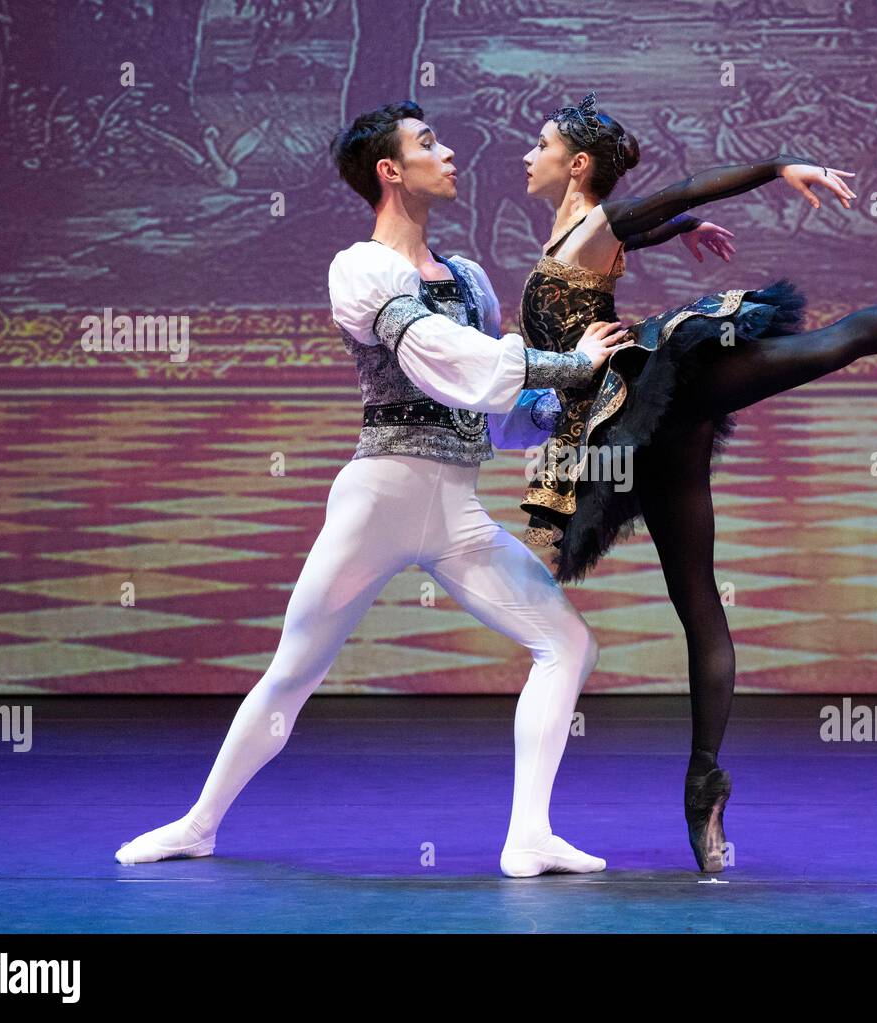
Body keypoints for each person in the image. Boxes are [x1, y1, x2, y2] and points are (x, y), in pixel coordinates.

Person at [511, 92, 877, 871]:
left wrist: (776, 169)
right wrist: (684, 231)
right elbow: (657, 221)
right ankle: (702, 781)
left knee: (832, 346)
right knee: (698, 600)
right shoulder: (583, 229)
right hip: (638, 421)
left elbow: (682, 194)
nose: (527, 154)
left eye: (539, 144)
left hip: (648, 395)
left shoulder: (595, 225)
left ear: (576, 165)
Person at [113, 101, 631, 879]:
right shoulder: (360, 268)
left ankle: (529, 835)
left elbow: (497, 415)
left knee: (567, 644)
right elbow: (443, 359)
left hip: (455, 509)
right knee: (295, 669)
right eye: (429, 144)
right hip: (380, 500)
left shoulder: (469, 279)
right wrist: (565, 366)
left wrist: (575, 405)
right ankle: (197, 822)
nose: (448, 152)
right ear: (390, 171)